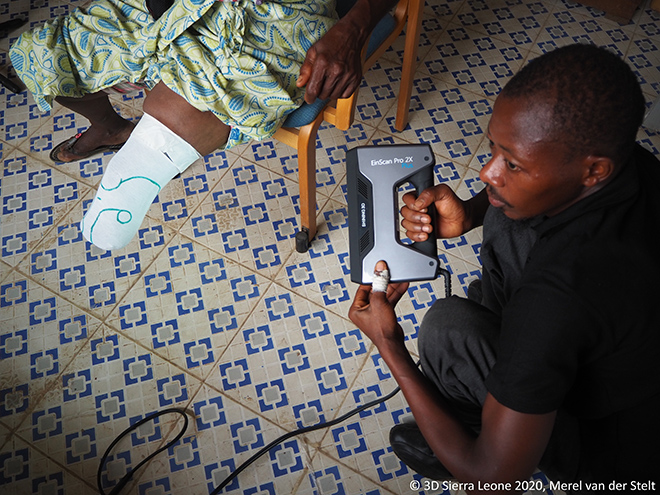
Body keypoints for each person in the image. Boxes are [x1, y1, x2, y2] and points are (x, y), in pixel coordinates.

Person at [349, 44, 660, 494]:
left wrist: (389, 343)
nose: (488, 171)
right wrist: (472, 214)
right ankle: (497, 393)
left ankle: (477, 421)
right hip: (622, 357)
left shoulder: (555, 301)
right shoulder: (633, 165)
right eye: (494, 147)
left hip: (606, 451)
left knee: (447, 328)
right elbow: (512, 198)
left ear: (593, 169)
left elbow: (493, 473)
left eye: (512, 163)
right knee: (506, 212)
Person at [10, 0, 397, 250]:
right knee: (42, 52)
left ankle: (143, 159)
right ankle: (111, 128)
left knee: (215, 84)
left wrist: (355, 26)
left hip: (279, 13)